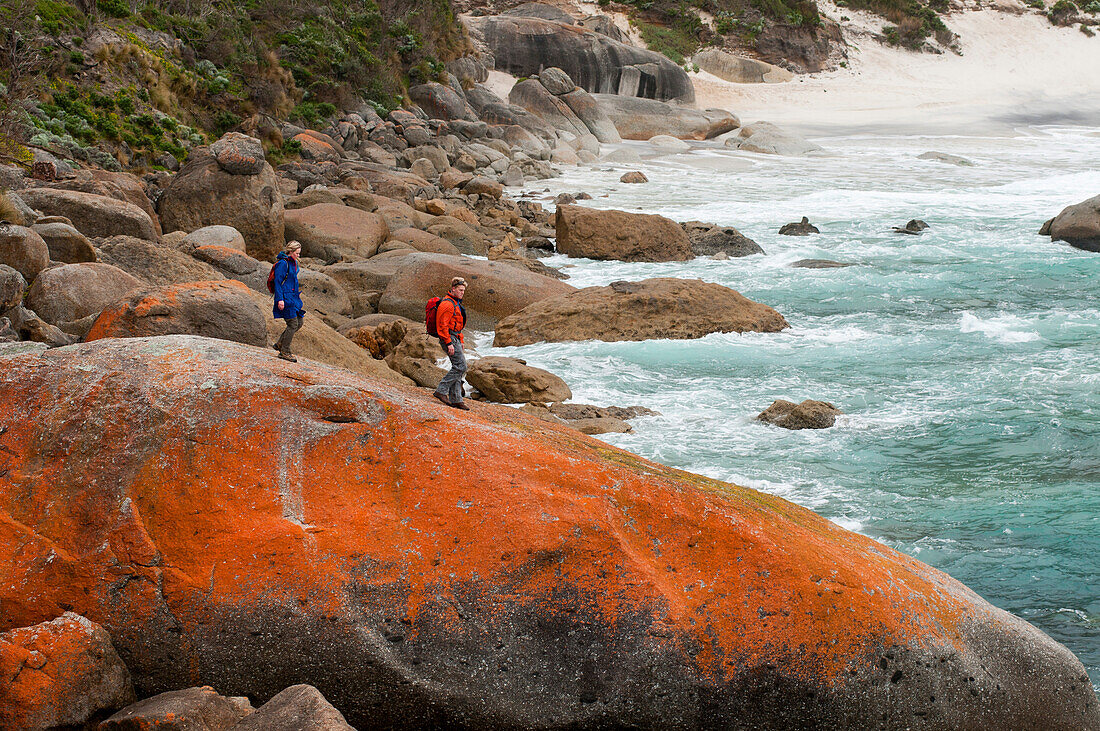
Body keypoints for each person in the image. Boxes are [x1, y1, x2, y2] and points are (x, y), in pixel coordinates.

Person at [433, 277, 469, 410]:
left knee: (458, 366)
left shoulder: (455, 303)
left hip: (455, 338)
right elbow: (442, 326)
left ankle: (456, 399)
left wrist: (461, 340)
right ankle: (441, 390)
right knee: (461, 366)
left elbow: (457, 324)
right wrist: (448, 343)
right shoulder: (447, 304)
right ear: (453, 289)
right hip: (449, 338)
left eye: (463, 290)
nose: (462, 293)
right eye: (460, 290)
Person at [272, 240, 304, 362]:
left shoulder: (294, 262)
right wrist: (280, 299)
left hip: (293, 298)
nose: (298, 255)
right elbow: (278, 282)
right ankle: (284, 351)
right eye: (297, 253)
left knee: (299, 322)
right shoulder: (283, 264)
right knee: (292, 323)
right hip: (285, 298)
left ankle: (280, 343)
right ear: (290, 252)